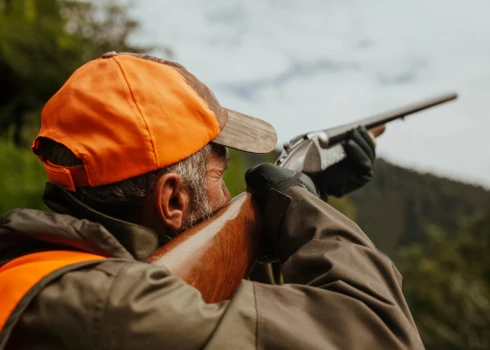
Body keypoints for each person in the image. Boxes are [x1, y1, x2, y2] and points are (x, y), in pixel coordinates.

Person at [0, 52, 424, 349]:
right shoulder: (115, 307)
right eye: (219, 178)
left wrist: (316, 191)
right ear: (172, 201)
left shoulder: (42, 276)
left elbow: (222, 309)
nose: (228, 197)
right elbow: (381, 336)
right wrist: (302, 206)